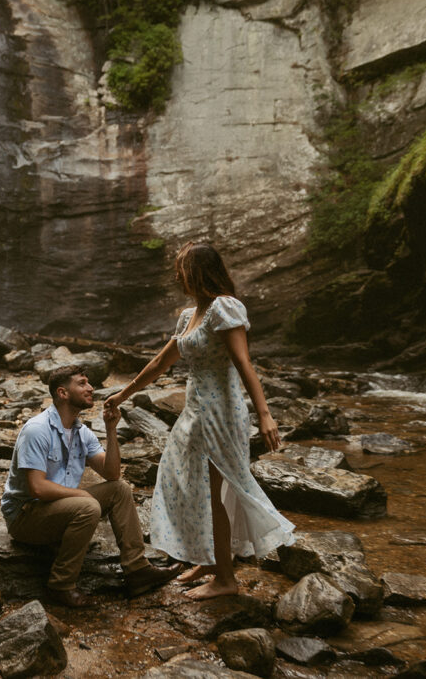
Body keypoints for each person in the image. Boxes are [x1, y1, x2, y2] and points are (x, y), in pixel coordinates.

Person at [104, 242, 295, 600]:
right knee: (184, 480)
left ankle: (226, 578)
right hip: (196, 410)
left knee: (217, 489)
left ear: (197, 271)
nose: (177, 276)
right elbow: (161, 364)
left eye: (181, 269)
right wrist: (122, 394)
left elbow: (243, 363)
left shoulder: (224, 308)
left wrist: (265, 415)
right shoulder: (189, 315)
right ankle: (210, 560)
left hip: (221, 411)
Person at [1, 364, 183, 608]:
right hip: (26, 517)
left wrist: (111, 429)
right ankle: (61, 585)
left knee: (120, 489)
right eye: (83, 383)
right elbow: (38, 489)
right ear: (63, 393)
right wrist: (83, 497)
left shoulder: (80, 431)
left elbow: (111, 473)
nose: (91, 389)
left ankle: (137, 570)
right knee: (88, 507)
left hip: (60, 507)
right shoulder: (37, 430)